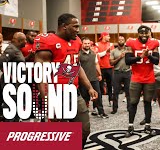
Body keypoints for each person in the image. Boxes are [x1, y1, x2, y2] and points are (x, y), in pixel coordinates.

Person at [33, 13, 98, 148]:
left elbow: (76, 67)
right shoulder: (48, 42)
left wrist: (89, 87)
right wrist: (47, 103)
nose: (78, 30)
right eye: (75, 27)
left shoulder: (77, 41)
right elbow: (40, 75)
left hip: (73, 92)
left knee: (84, 130)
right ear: (64, 26)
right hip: (55, 95)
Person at [124, 25, 159, 137]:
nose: (144, 35)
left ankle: (147, 125)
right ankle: (130, 126)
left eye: (146, 33)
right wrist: (140, 57)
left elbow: (157, 61)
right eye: (141, 33)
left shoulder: (154, 43)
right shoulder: (131, 43)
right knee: (133, 102)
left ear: (149, 33)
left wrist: (148, 56)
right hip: (136, 77)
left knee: (147, 102)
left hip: (149, 78)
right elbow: (128, 61)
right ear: (138, 33)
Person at [0, 32, 27, 122]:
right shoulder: (11, 49)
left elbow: (17, 61)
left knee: (15, 103)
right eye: (24, 40)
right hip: (10, 82)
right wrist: (9, 73)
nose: (26, 42)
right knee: (10, 104)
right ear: (19, 41)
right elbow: (1, 62)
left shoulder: (16, 49)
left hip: (16, 81)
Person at [79, 37, 108, 118]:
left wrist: (99, 74)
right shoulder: (79, 54)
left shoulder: (93, 53)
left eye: (88, 43)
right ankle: (84, 114)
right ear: (82, 44)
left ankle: (101, 112)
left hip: (94, 79)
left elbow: (96, 64)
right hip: (83, 80)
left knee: (98, 96)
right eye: (85, 43)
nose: (87, 45)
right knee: (85, 97)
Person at [109, 36, 131, 114]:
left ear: (124, 41)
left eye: (122, 40)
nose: (121, 41)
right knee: (115, 92)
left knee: (128, 92)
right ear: (117, 41)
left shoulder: (128, 50)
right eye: (119, 40)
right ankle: (114, 109)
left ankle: (129, 108)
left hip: (127, 72)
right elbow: (111, 63)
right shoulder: (113, 51)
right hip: (117, 72)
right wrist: (119, 57)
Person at [96, 32, 114, 106]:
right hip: (100, 69)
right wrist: (105, 52)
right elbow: (97, 55)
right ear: (103, 36)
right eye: (108, 36)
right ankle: (100, 103)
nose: (109, 37)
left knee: (110, 85)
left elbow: (112, 55)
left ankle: (111, 100)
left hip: (110, 68)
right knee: (100, 87)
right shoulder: (97, 44)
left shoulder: (111, 44)